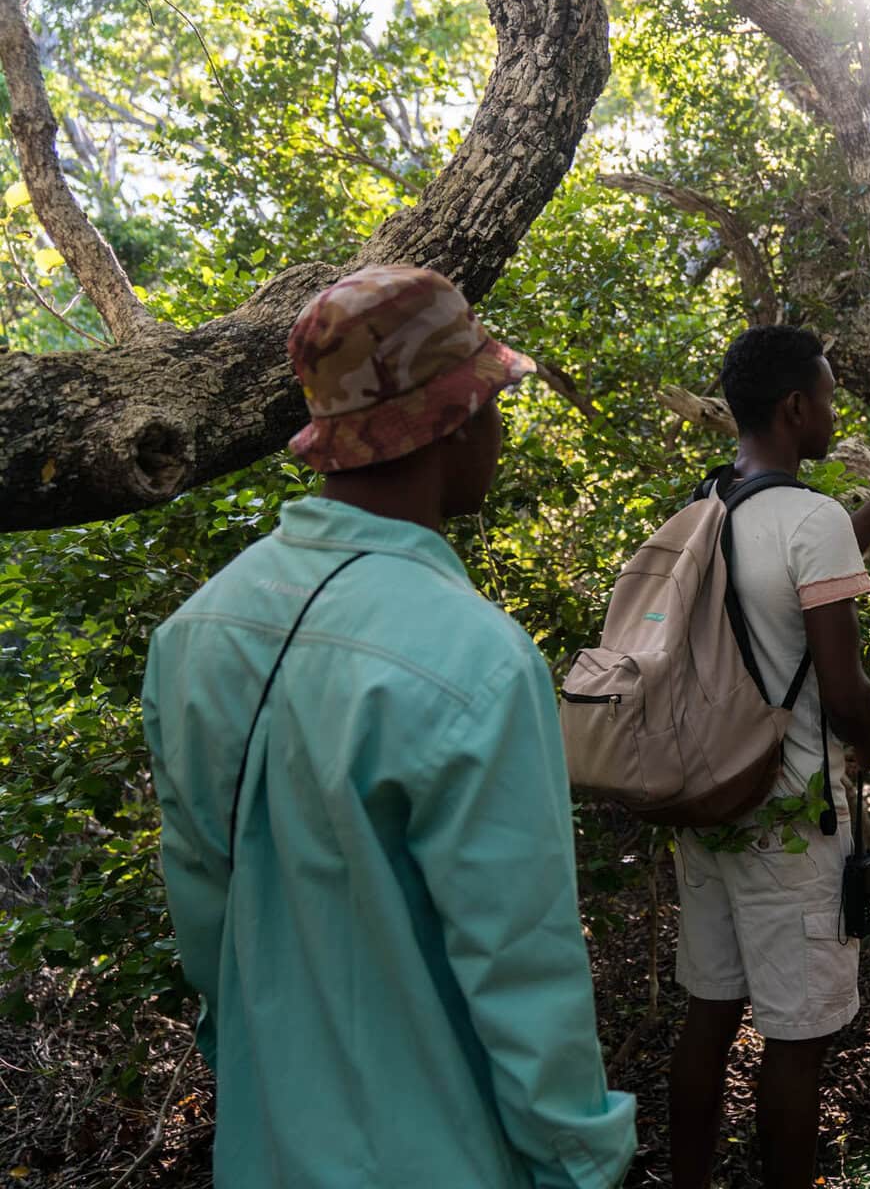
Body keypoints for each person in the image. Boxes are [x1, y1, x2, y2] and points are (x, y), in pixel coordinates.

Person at [142, 265, 637, 1188]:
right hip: (441, 1154)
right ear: (455, 418)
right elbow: (522, 968)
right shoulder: (477, 660)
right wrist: (580, 1162)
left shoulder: (196, 633)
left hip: (269, 1144)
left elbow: (206, 915)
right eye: (491, 398)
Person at [668, 324, 870, 1189]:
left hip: (707, 806)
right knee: (796, 1040)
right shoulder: (809, 519)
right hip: (791, 819)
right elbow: (845, 693)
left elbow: (790, 580)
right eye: (827, 395)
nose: (834, 408)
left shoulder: (706, 505)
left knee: (708, 1013)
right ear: (793, 408)